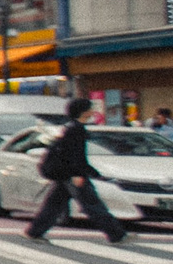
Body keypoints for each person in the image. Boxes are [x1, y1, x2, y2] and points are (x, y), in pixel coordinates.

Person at [26, 94, 131, 244]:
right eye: (90, 108)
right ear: (83, 111)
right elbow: (75, 155)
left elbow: (73, 154)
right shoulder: (77, 129)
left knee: (54, 205)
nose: (93, 111)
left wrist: (92, 172)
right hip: (73, 175)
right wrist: (79, 173)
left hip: (65, 174)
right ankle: (117, 235)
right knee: (93, 205)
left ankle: (34, 232)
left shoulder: (70, 128)